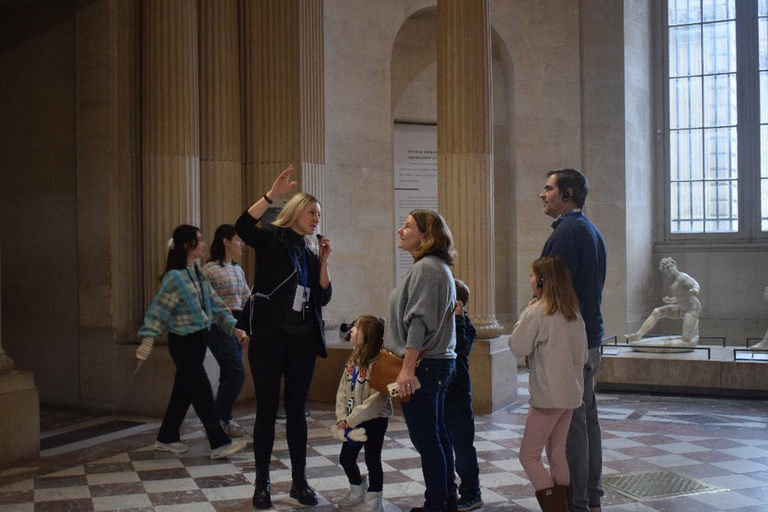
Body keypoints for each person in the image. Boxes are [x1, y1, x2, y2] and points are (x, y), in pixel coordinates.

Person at [235, 166, 333, 509]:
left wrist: (324, 263)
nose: (316, 219)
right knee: (265, 411)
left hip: (301, 343)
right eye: (311, 212)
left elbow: (322, 298)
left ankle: (299, 482)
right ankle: (261, 485)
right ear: (295, 213)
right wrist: (270, 196)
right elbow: (242, 227)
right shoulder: (272, 241)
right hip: (268, 340)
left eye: (319, 214)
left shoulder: (309, 254)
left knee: (297, 413)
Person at [135, 224, 248, 460]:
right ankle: (219, 442)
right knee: (201, 390)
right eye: (199, 239)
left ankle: (166, 437)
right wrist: (148, 339)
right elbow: (158, 310)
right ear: (187, 245)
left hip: (200, 338)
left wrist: (234, 327)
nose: (204, 243)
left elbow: (216, 304)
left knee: (183, 391)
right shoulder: (174, 278)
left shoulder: (196, 273)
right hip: (182, 341)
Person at [539, 168, 606, 512]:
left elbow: (553, 295)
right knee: (585, 419)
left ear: (567, 195)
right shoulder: (590, 230)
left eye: (548, 189)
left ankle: (576, 501)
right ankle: (591, 496)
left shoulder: (566, 233)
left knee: (571, 427)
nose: (542, 194)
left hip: (570, 341)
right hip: (590, 337)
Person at [383, 210, 458, 512]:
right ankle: (445, 501)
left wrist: (406, 368)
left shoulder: (427, 267)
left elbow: (418, 322)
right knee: (437, 436)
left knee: (428, 442)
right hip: (436, 365)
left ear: (426, 237)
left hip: (424, 366)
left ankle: (436, 506)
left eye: (408, 226)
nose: (400, 230)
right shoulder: (433, 266)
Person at [508, 256, 588, 512]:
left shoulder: (538, 311)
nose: (530, 280)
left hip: (548, 396)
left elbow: (516, 345)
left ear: (543, 281)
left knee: (528, 456)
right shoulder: (573, 313)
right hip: (571, 393)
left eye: (533, 276)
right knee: (556, 453)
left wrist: (526, 312)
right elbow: (584, 356)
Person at [335, 315, 393, 512]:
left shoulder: (379, 363)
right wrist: (342, 416)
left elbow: (376, 401)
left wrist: (351, 419)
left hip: (375, 420)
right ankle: (357, 490)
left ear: (368, 336)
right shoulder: (353, 359)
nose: (352, 330)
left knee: (372, 460)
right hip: (352, 420)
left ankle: (375, 502)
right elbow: (343, 389)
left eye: (356, 328)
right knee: (346, 459)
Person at [203, 224, 251, 438]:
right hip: (218, 326)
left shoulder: (238, 269)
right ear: (225, 241)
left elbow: (246, 298)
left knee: (229, 375)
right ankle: (220, 418)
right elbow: (208, 303)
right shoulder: (209, 270)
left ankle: (222, 420)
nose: (241, 244)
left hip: (237, 325)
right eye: (237, 240)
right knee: (236, 372)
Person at [445, 280, 482, 512]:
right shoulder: (446, 322)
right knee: (445, 445)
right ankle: (449, 490)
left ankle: (472, 492)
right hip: (443, 393)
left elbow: (460, 346)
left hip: (458, 395)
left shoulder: (464, 325)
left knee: (463, 447)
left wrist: (458, 317)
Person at [627, 257, 701, 345]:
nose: (670, 268)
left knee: (686, 340)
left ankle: (694, 328)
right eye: (667, 268)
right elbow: (681, 295)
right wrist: (672, 300)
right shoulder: (672, 281)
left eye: (671, 266)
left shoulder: (682, 277)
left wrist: (695, 289)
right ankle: (638, 335)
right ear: (664, 271)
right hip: (681, 309)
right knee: (657, 311)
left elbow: (694, 283)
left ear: (675, 266)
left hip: (692, 309)